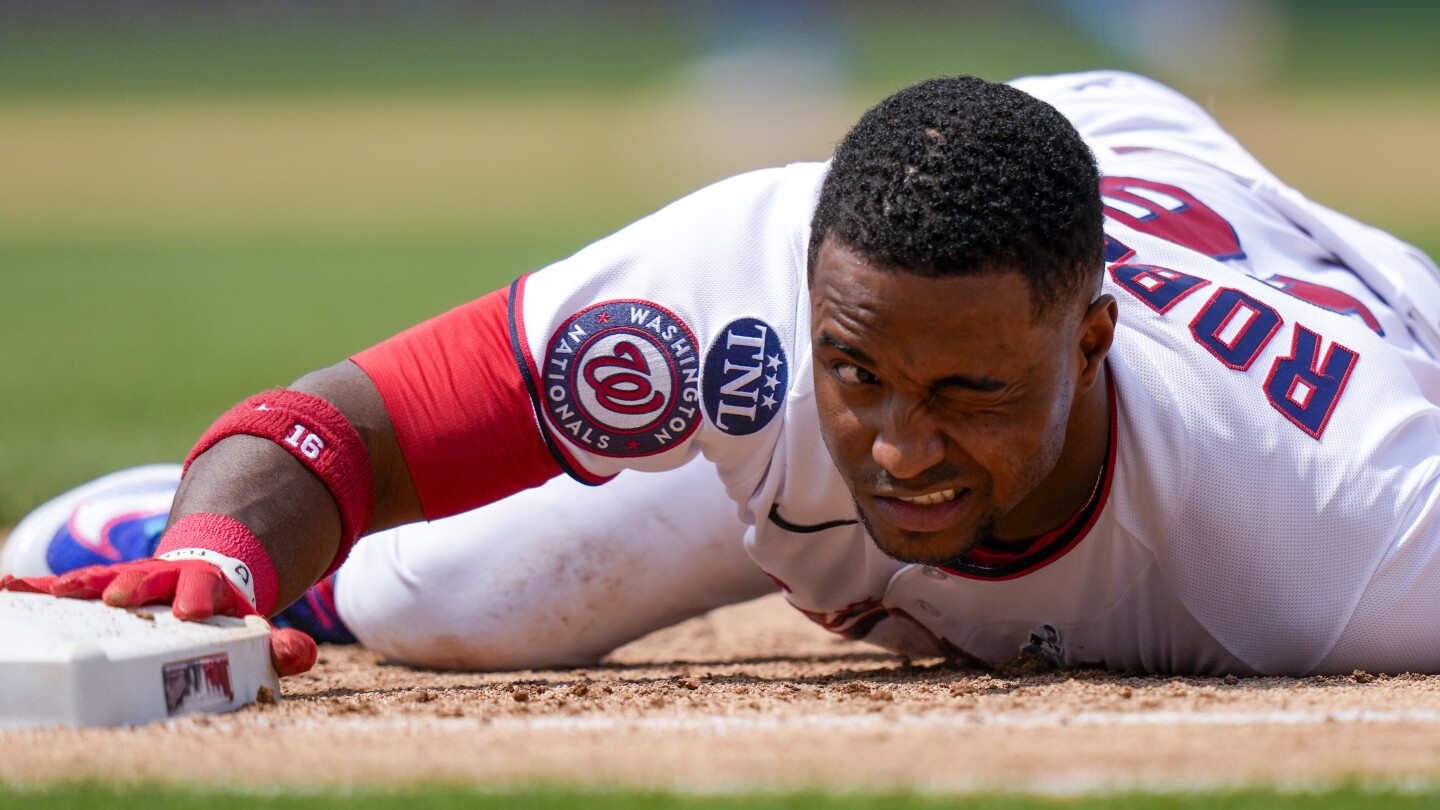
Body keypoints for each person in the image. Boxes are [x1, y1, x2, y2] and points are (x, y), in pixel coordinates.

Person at [7, 71, 1440, 678]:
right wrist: (219, 544)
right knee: (437, 601)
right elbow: (341, 427)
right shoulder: (731, 301)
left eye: (968, 397)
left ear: (1087, 340)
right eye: (859, 373)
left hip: (1301, 280)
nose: (898, 446)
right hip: (1046, 207)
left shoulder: (1357, 519)